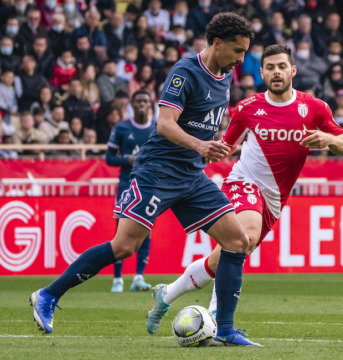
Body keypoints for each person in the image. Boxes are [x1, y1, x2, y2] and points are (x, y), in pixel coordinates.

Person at [30, 12, 260, 347]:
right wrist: (199, 145)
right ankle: (47, 296)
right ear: (217, 43)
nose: (241, 59)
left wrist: (213, 146)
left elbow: (202, 122)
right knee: (124, 246)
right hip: (158, 171)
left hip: (192, 175)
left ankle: (224, 329)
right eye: (238, 50)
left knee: (238, 242)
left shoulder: (224, 75)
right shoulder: (185, 71)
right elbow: (165, 124)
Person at [144, 44, 343, 336]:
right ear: (261, 73)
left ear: (293, 70)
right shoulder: (249, 107)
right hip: (243, 183)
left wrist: (329, 139)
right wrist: (188, 157)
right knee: (246, 236)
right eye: (269, 67)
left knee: (225, 256)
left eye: (281, 66)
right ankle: (217, 320)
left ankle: (165, 295)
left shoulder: (314, 108)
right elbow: (226, 148)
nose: (276, 72)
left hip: (275, 199)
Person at [106, 90, 157, 292]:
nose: (142, 104)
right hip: (126, 184)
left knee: (147, 230)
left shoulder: (158, 128)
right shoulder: (121, 127)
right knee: (121, 231)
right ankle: (117, 279)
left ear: (150, 104)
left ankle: (138, 277)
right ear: (132, 104)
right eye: (138, 101)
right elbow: (109, 158)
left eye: (145, 101)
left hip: (150, 185)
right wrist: (126, 160)